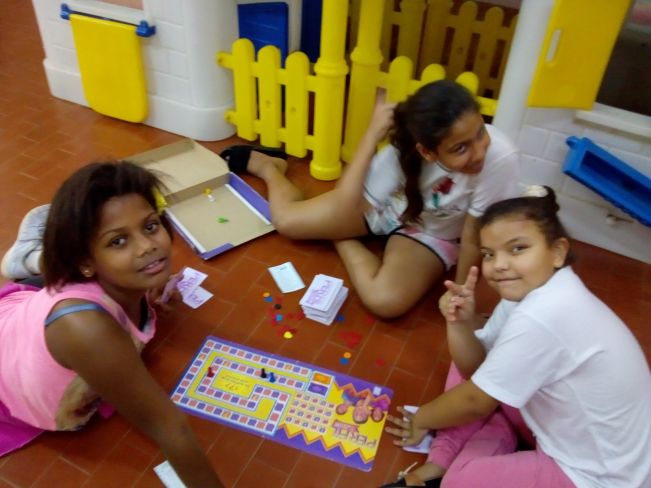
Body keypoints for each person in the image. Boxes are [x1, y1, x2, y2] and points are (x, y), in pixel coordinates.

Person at [381, 186, 651, 488]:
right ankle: (440, 462)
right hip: (556, 427)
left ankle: (448, 467)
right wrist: (459, 323)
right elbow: (474, 370)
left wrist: (422, 419)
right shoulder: (531, 295)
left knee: (460, 480)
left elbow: (476, 401)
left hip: (599, 475)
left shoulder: (545, 313)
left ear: (557, 252)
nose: (499, 264)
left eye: (518, 248)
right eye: (489, 254)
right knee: (480, 370)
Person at [0, 161, 225, 488]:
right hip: (12, 346)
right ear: (87, 262)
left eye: (150, 226)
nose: (148, 246)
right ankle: (32, 255)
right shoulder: (87, 329)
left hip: (37, 312)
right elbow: (169, 428)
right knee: (54, 279)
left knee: (58, 277)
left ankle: (38, 254)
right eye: (118, 241)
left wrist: (148, 279)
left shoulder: (119, 277)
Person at [220, 80, 519, 319]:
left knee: (384, 301)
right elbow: (347, 203)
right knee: (286, 222)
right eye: (460, 148)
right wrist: (372, 134)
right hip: (387, 209)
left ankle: (340, 238)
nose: (479, 152)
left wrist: (462, 290)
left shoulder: (498, 157)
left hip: (434, 234)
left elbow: (473, 233)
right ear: (428, 152)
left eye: (480, 132)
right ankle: (270, 168)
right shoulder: (401, 153)